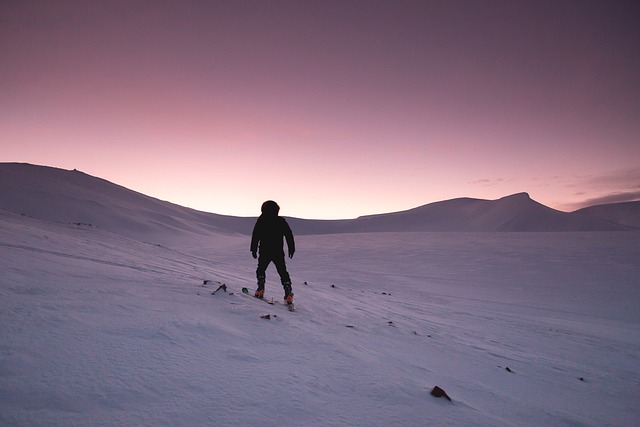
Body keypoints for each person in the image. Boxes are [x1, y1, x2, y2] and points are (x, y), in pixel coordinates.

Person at [250, 200, 295, 305]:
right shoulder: (280, 221)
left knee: (261, 270)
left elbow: (255, 235)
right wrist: (291, 248)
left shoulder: (261, 220)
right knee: (283, 272)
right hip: (277, 251)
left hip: (264, 251)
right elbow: (289, 235)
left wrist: (253, 249)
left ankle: (260, 288)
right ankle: (288, 293)